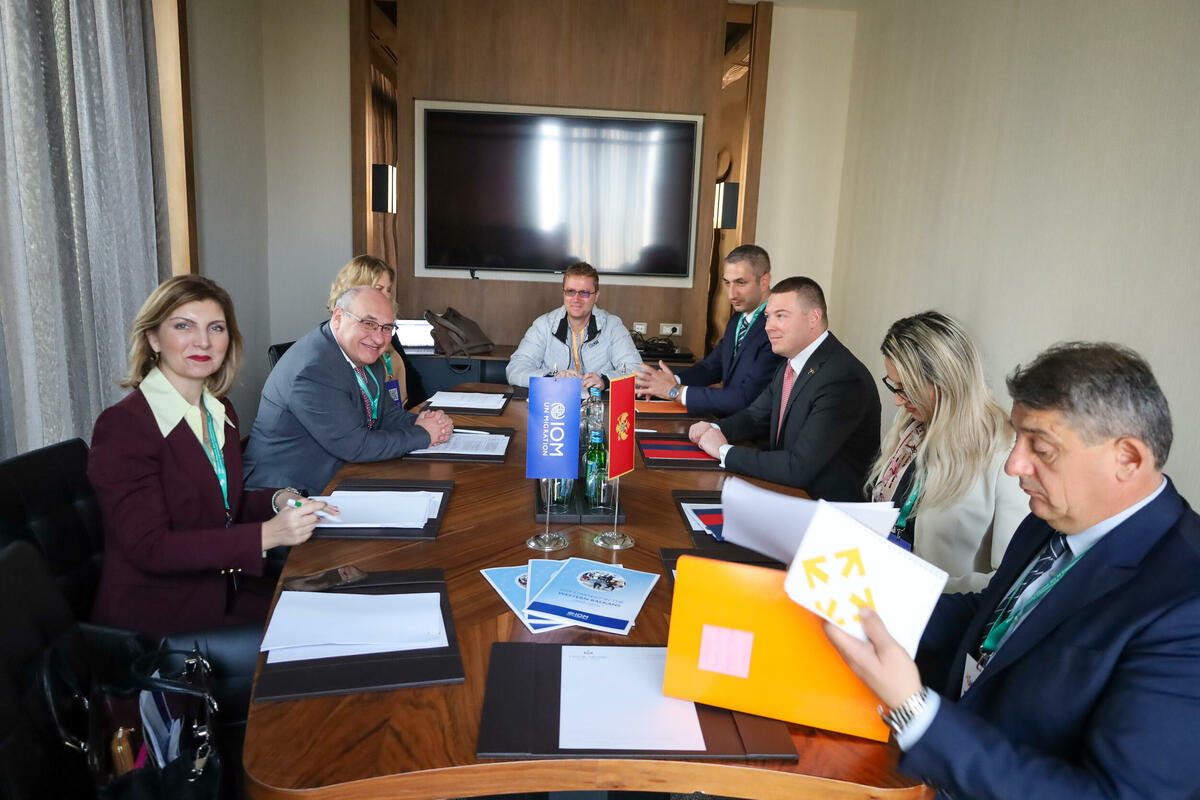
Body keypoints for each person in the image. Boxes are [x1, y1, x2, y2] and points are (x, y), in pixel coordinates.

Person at [826, 343, 1200, 800]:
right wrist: (866, 598)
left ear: (1128, 459)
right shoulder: (1053, 516)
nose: (1013, 465)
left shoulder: (1187, 605)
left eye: (1040, 448)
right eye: (1017, 438)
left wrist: (916, 713)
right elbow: (993, 615)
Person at [88, 275, 330, 636]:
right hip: (161, 616)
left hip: (226, 588)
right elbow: (150, 548)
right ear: (153, 338)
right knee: (319, 634)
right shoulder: (124, 426)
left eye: (216, 327)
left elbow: (217, 507)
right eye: (183, 326)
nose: (203, 341)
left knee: (336, 607)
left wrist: (278, 499)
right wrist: (266, 535)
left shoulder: (220, 410)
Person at [868, 311, 1027, 592]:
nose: (897, 401)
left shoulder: (1003, 452)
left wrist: (925, 590)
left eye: (906, 389)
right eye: (895, 386)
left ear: (946, 381)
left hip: (938, 607)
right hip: (881, 587)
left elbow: (1010, 580)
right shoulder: (911, 425)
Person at [243, 286, 453, 494]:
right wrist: (423, 434)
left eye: (387, 328)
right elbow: (355, 446)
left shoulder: (362, 352)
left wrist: (424, 422)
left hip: (340, 470)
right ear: (338, 318)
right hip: (287, 492)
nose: (379, 338)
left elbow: (385, 413)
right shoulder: (314, 369)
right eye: (369, 324)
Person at [688, 277, 879, 500]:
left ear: (813, 318)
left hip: (827, 508)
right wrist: (714, 429)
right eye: (768, 317)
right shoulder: (791, 364)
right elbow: (754, 417)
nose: (768, 327)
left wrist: (724, 451)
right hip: (790, 495)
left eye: (781, 316)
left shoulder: (842, 377)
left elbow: (798, 467)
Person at [634, 244, 781, 416]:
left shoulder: (777, 328)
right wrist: (673, 380)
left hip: (753, 427)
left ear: (764, 281)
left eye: (740, 283)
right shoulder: (738, 319)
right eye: (727, 283)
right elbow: (712, 367)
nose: (731, 294)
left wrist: (675, 391)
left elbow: (746, 398)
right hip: (728, 421)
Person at [505, 262, 641, 391]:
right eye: (570, 291)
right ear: (563, 293)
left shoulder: (613, 326)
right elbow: (515, 370)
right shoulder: (543, 325)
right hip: (553, 402)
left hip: (597, 403)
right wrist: (551, 379)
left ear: (596, 296)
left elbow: (638, 373)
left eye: (584, 293)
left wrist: (605, 381)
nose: (576, 299)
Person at [327, 254, 426, 408]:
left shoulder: (387, 331)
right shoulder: (341, 338)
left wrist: (425, 413)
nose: (386, 296)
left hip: (401, 416)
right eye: (378, 289)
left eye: (388, 290)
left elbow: (413, 381)